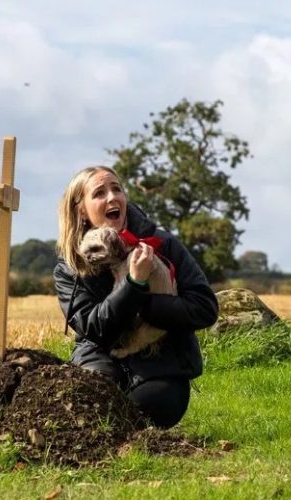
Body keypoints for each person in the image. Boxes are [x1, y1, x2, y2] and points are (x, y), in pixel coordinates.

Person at [53, 166, 218, 428]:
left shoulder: (162, 244)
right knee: (91, 401)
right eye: (99, 193)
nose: (112, 197)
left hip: (161, 363)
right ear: (81, 210)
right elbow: (95, 328)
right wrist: (133, 284)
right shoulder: (69, 266)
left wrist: (146, 303)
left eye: (117, 189)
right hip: (99, 357)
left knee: (147, 409)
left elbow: (205, 308)